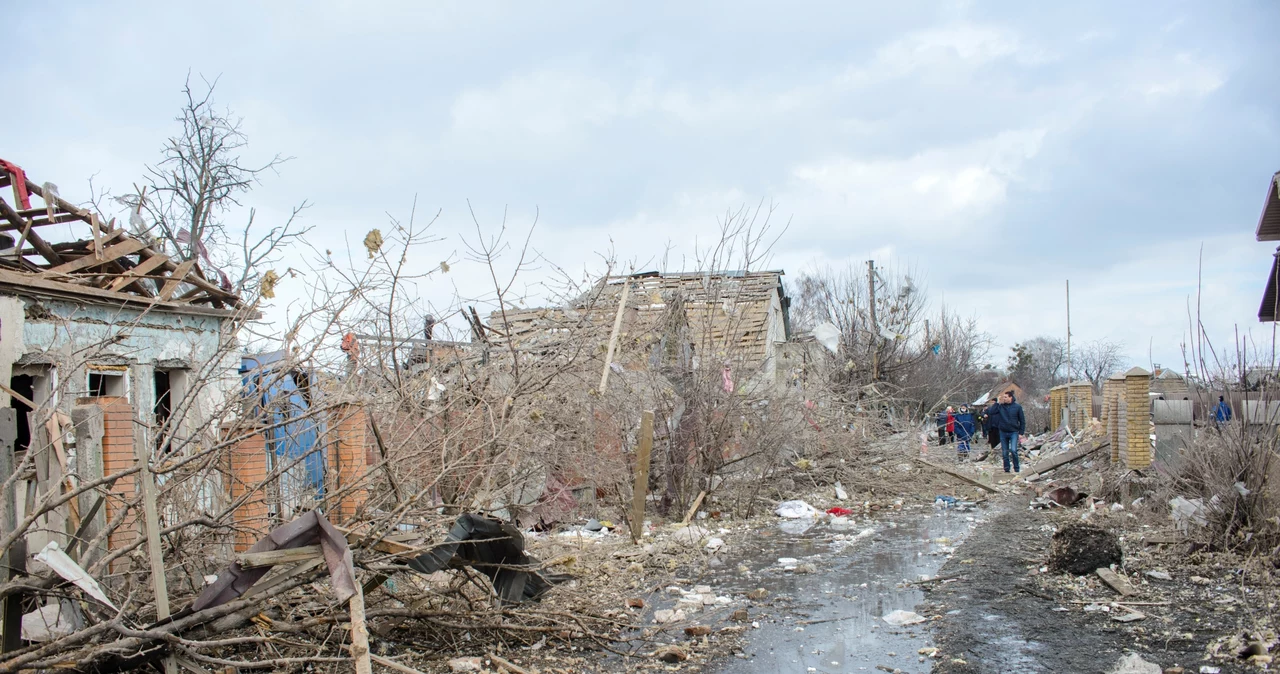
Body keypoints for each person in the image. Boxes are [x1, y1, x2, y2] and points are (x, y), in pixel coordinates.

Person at [988, 391, 1026, 473]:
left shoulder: (1017, 407)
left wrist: (1021, 433)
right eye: (1003, 397)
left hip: (1014, 432)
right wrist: (997, 402)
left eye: (1005, 397)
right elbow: (991, 412)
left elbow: (1022, 420)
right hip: (1003, 432)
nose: (1004, 399)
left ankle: (1016, 468)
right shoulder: (1000, 407)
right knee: (1005, 452)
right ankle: (1007, 469)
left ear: (1010, 397)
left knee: (1013, 450)